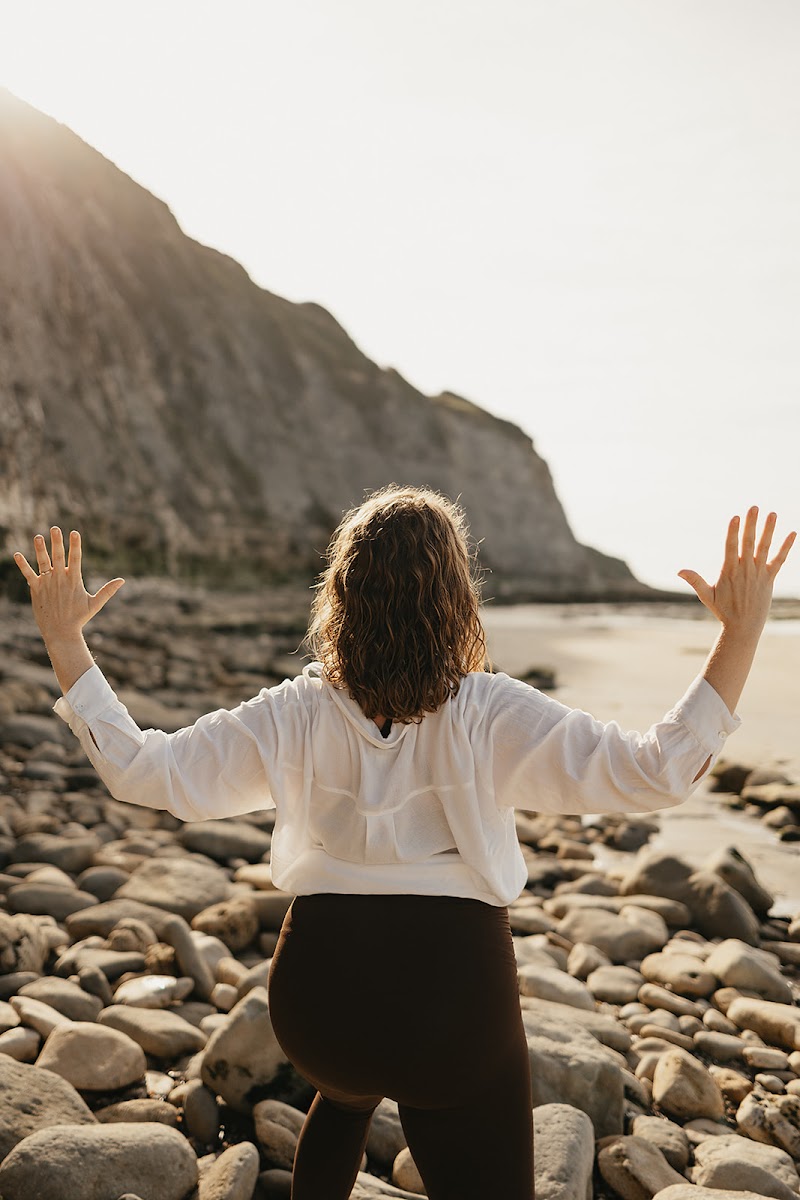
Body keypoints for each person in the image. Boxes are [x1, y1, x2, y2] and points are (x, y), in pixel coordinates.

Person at [13, 489, 795, 1200]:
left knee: (345, 1092)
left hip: (318, 1006)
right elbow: (654, 773)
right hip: (451, 1012)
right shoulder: (488, 712)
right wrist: (742, 632)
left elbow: (146, 772)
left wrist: (66, 644)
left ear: (341, 597)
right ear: (457, 600)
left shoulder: (296, 711)